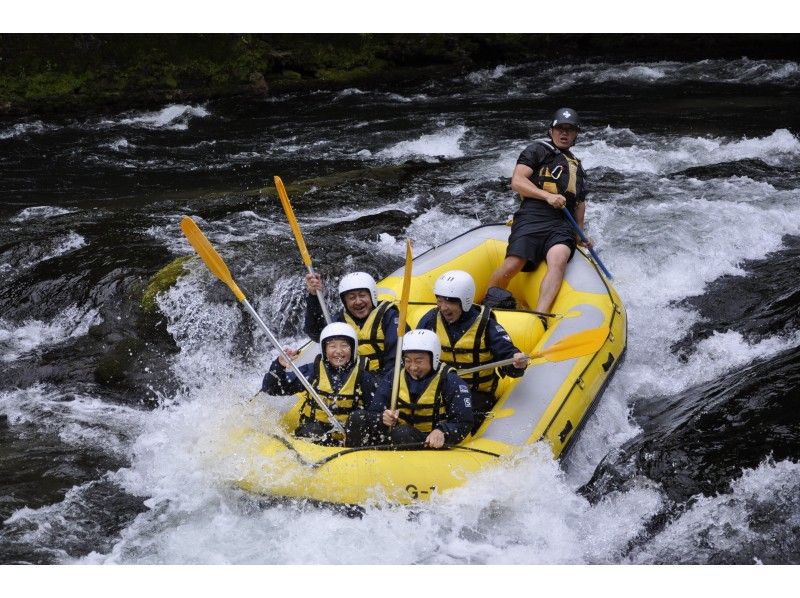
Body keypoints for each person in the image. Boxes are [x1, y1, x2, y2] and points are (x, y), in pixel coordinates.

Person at [483, 107, 592, 321]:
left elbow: (579, 203)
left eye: (570, 130)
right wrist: (547, 196)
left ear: (576, 134)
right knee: (514, 262)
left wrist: (580, 234)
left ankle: (539, 315)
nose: (564, 133)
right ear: (551, 131)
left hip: (562, 223)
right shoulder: (537, 150)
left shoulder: (578, 168)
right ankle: (488, 305)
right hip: (533, 214)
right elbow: (518, 181)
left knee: (559, 258)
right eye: (560, 128)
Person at [417, 270, 528, 419]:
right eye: (440, 300)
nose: (443, 307)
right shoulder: (430, 319)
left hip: (476, 395)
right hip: (441, 389)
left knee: (460, 412)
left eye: (449, 301)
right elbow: (413, 354)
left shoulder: (486, 325)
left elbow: (509, 358)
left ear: (465, 301)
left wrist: (517, 362)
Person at [344, 329, 473, 448]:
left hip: (428, 442)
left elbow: (464, 422)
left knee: (402, 433)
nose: (412, 367)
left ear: (434, 358)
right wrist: (382, 418)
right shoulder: (394, 376)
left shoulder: (451, 381)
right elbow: (375, 410)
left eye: (418, 361)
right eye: (407, 360)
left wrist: (443, 431)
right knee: (357, 417)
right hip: (397, 436)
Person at [261, 322, 378, 444]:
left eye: (344, 346)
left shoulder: (364, 376)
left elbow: (375, 411)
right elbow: (272, 389)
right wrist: (279, 366)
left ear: (353, 349)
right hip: (317, 435)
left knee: (359, 417)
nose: (338, 351)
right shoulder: (313, 371)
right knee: (312, 430)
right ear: (324, 350)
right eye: (332, 346)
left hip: (349, 440)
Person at [304, 271, 404, 374]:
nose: (358, 302)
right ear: (345, 302)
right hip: (352, 379)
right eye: (352, 298)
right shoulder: (340, 320)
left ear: (372, 296)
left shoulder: (389, 317)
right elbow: (315, 333)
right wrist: (314, 297)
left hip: (383, 377)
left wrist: (383, 386)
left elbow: (396, 358)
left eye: (362, 295)